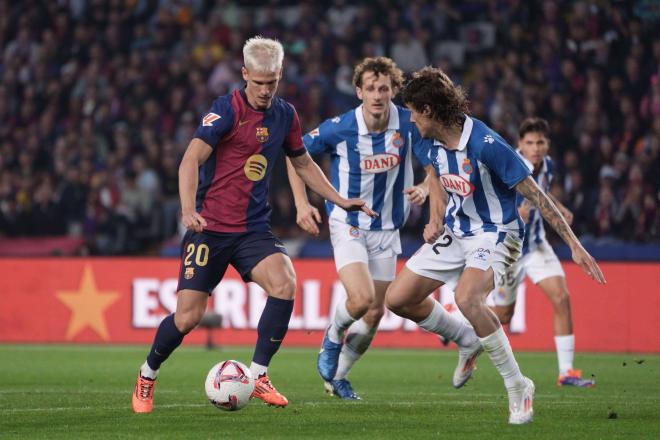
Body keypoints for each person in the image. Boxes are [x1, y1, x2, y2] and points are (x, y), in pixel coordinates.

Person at [131, 36, 375, 413]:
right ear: (245, 74)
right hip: (209, 229)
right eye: (258, 82)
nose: (264, 91)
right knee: (188, 317)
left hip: (251, 230)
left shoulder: (285, 115)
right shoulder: (225, 109)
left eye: (272, 83)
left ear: (280, 76)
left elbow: (303, 163)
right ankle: (147, 374)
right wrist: (186, 209)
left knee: (285, 282)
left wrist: (339, 200)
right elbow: (190, 160)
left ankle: (258, 374)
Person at [385, 67, 606, 424]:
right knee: (397, 299)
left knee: (468, 298)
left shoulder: (487, 145)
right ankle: (466, 339)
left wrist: (575, 246)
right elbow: (434, 172)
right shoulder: (425, 137)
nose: (410, 118)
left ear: (428, 110)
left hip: (498, 233)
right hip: (457, 231)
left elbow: (537, 195)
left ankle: (518, 386)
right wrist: (435, 214)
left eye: (413, 110)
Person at [287, 57, 480, 400]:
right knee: (360, 299)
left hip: (388, 228)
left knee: (376, 311)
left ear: (393, 91)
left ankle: (338, 379)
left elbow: (434, 165)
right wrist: (302, 204)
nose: (377, 95)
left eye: (384, 88)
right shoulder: (340, 128)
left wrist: (424, 187)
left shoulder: (408, 124)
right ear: (358, 91)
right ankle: (332, 337)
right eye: (371, 88)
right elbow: (295, 155)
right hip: (348, 222)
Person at [489, 117, 594, 387]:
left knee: (561, 298)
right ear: (520, 145)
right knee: (503, 316)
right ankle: (464, 335)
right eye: (530, 143)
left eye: (540, 142)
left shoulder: (548, 166)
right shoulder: (509, 165)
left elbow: (541, 193)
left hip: (536, 246)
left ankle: (567, 372)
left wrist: (558, 208)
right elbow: (490, 202)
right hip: (509, 250)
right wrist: (515, 214)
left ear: (547, 145)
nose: (535, 148)